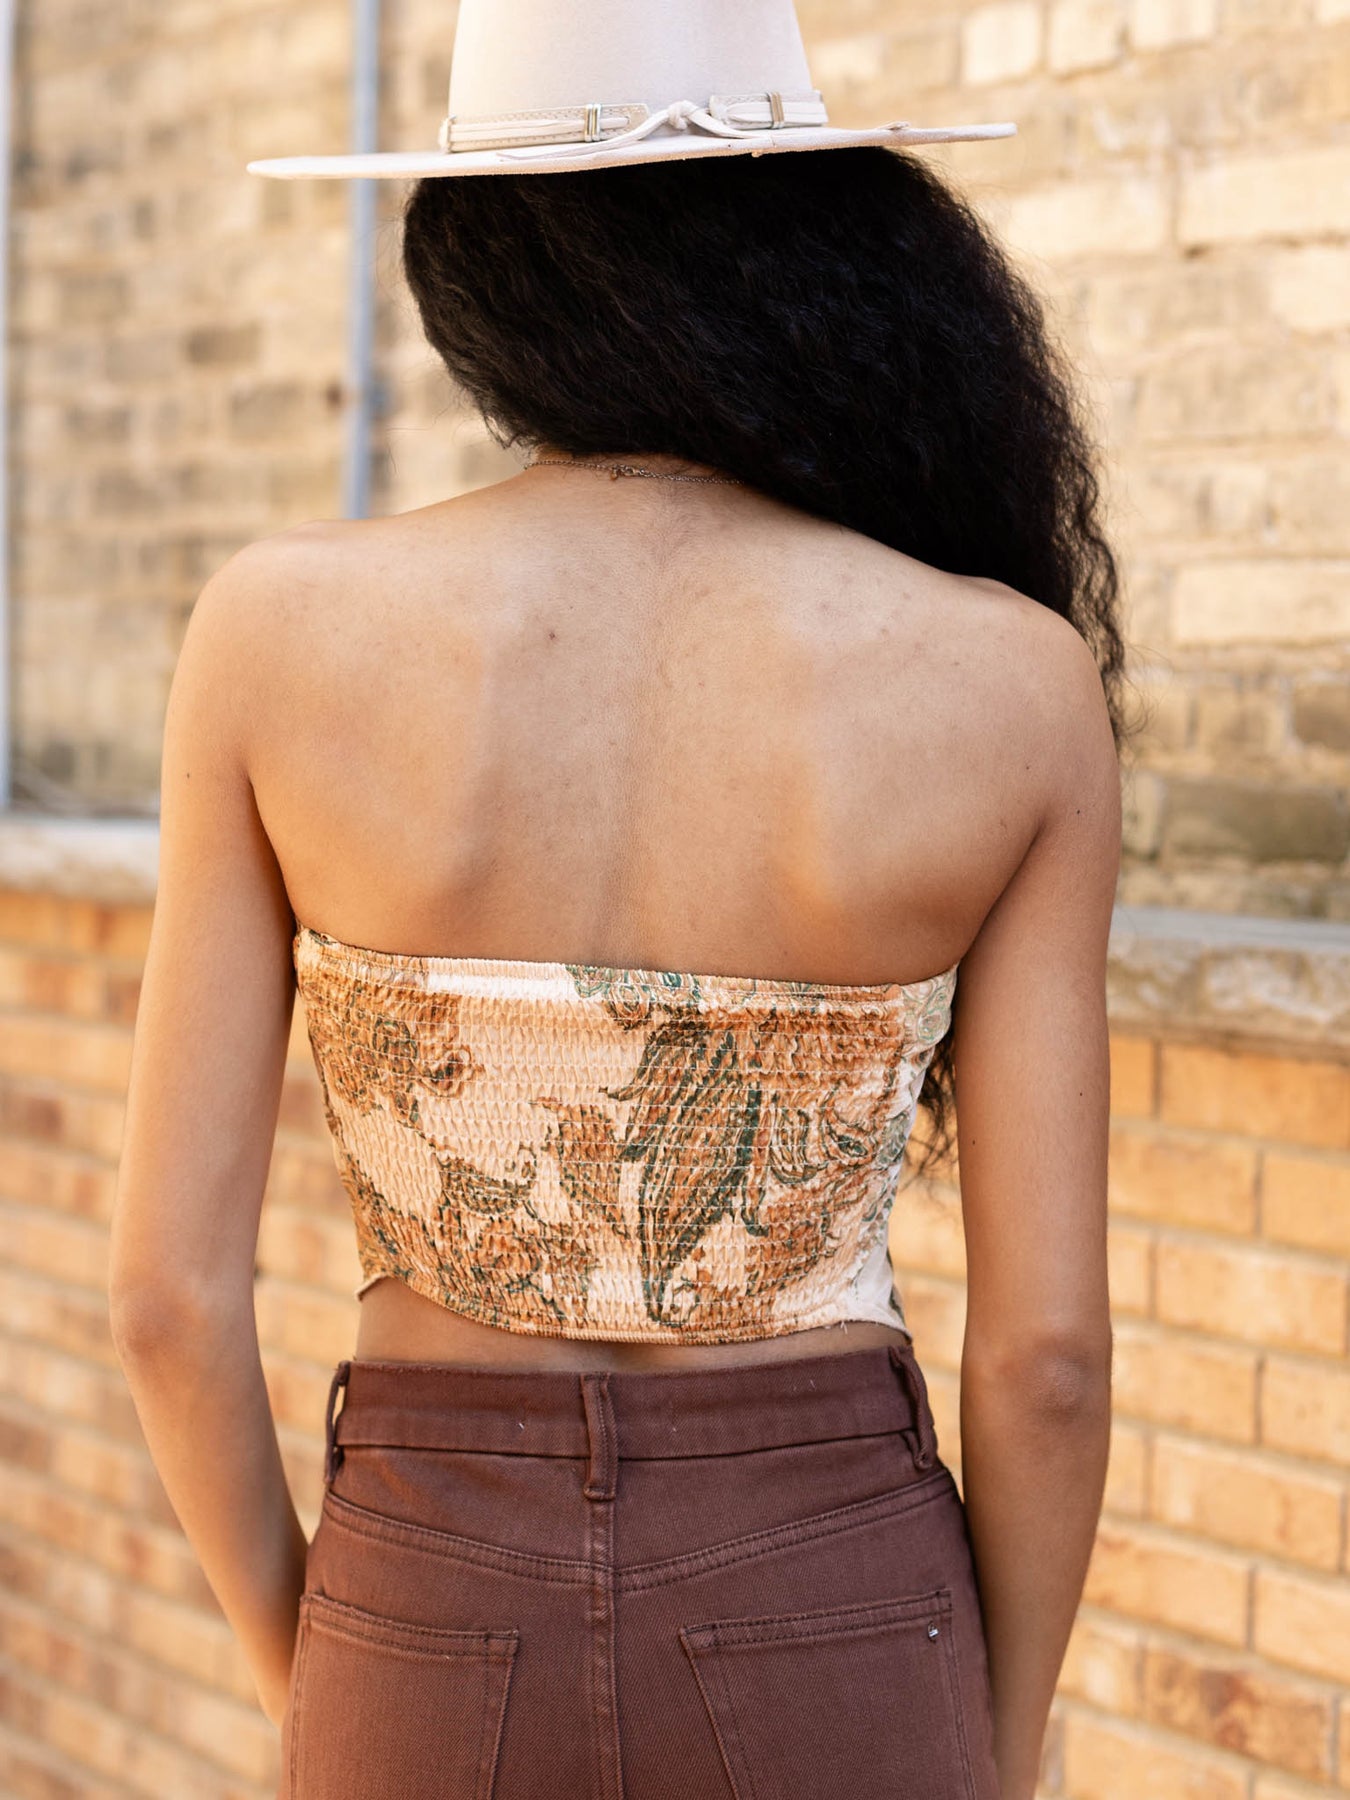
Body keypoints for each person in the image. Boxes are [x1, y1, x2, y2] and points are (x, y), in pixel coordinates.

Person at [108, 3, 1131, 1796]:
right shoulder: (1006, 678)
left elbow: (168, 1304)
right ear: (821, 254)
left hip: (425, 1581)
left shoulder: (274, 633)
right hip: (832, 1588)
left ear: (485, 276)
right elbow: (1043, 1357)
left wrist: (319, 1672)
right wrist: (999, 1734)